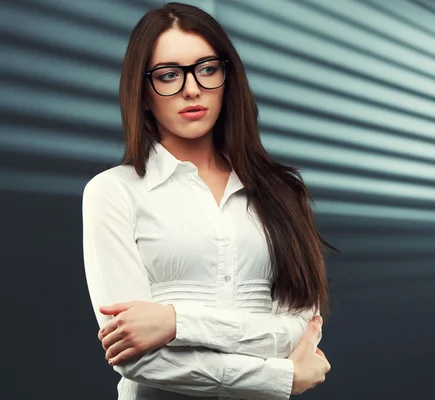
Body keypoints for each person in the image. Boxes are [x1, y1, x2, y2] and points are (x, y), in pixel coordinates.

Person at [81, 2, 335, 399]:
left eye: (207, 69)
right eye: (168, 75)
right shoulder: (113, 192)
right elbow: (136, 358)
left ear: (226, 78)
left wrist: (176, 323)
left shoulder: (282, 193)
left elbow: (299, 333)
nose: (191, 88)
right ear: (143, 93)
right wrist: (279, 377)